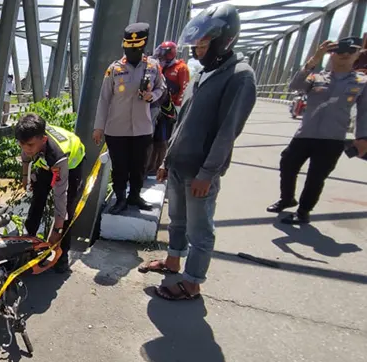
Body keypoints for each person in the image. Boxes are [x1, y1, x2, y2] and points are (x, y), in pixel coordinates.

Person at [138, 4, 257, 300]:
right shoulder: (204, 73)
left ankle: (192, 283)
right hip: (179, 164)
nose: (198, 49)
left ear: (223, 40)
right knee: (177, 220)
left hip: (200, 170)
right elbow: (182, 120)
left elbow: (228, 131)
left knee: (200, 230)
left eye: (204, 43)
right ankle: (173, 261)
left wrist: (208, 172)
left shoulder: (240, 76)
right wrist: (166, 159)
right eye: (197, 43)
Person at [266, 37, 367, 224]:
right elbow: (294, 86)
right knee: (287, 164)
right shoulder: (316, 77)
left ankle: (304, 211)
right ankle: (287, 198)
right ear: (331, 54)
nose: (344, 55)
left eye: (350, 52)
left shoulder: (362, 82)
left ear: (357, 55)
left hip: (332, 138)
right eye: (339, 51)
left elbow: (364, 113)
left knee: (316, 176)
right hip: (305, 134)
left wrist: (362, 137)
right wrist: (313, 60)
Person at [93, 22, 166, 214]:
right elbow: (104, 99)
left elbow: (162, 87)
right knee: (120, 167)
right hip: (116, 129)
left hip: (143, 128)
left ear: (143, 46)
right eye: (129, 48)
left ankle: (135, 196)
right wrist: (98, 127)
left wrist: (153, 96)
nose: (132, 52)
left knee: (139, 165)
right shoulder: (114, 69)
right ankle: (120, 199)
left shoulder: (153, 66)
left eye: (136, 49)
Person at [18, 113, 85, 273]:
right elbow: (26, 155)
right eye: (22, 144)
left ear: (43, 140)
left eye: (30, 145)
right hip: (46, 161)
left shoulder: (58, 156)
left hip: (71, 164)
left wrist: (57, 230)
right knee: (37, 201)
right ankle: (29, 247)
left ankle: (62, 256)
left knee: (66, 209)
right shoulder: (29, 138)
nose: (26, 149)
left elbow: (60, 196)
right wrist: (25, 176)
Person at [146, 42, 188, 174]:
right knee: (151, 137)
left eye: (163, 53)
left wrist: (177, 109)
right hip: (156, 105)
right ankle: (149, 165)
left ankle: (159, 165)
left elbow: (184, 89)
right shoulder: (159, 66)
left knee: (162, 138)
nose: (161, 56)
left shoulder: (181, 68)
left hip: (168, 108)